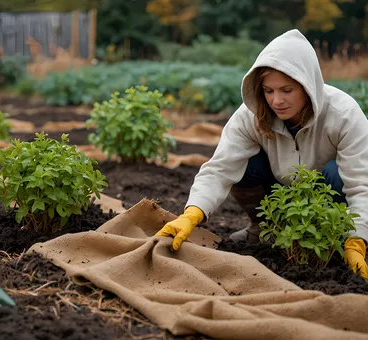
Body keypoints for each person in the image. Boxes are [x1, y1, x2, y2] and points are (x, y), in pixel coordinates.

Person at [156, 29, 368, 279]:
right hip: (278, 193)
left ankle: (337, 242)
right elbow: (220, 168)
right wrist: (192, 213)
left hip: (323, 199)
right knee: (245, 165)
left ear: (307, 86)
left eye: (286, 90)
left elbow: (360, 184)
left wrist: (358, 239)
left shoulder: (343, 114)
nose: (276, 100)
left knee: (337, 173)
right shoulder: (251, 116)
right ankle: (263, 230)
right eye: (269, 91)